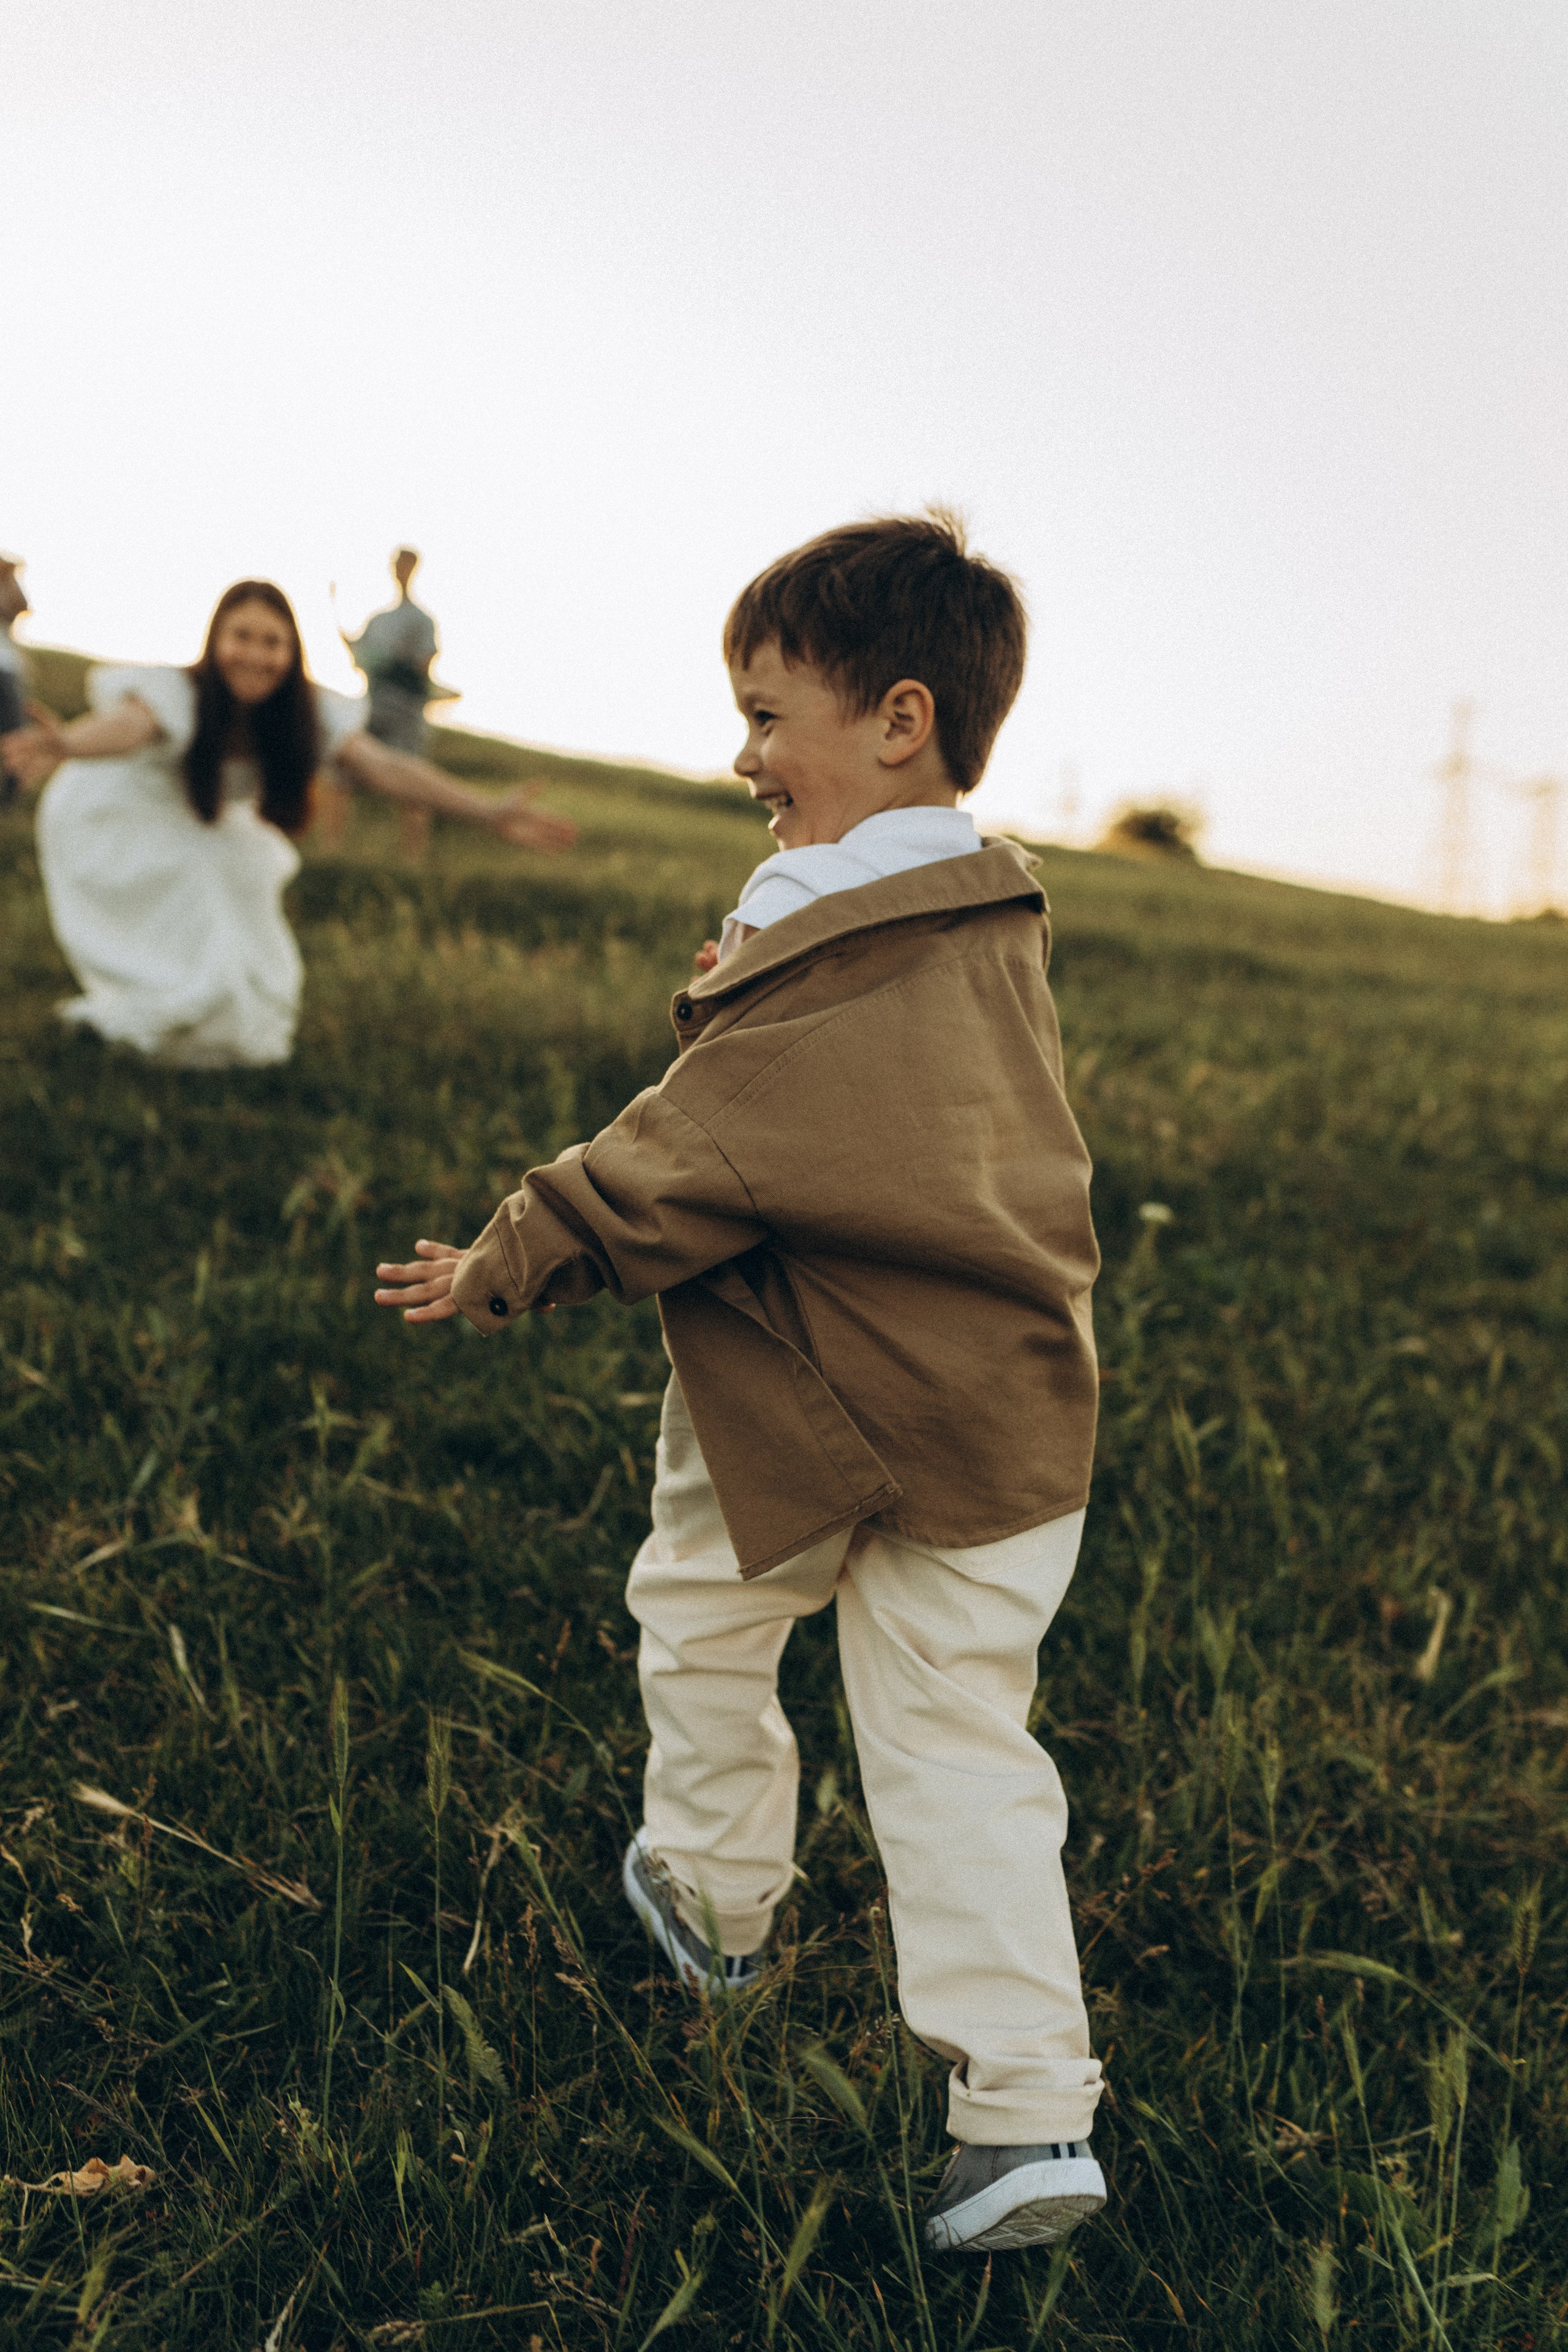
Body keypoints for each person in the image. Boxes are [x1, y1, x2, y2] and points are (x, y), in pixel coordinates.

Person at [372, 514, 1106, 2256]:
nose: (744, 755)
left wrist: (519, 1244)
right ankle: (1025, 2121)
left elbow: (699, 1142)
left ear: (899, 719)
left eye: (770, 715)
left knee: (701, 1614)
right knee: (959, 1761)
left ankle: (713, 1898)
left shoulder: (820, 919)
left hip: (795, 1395)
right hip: (1003, 1414)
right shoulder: (982, 911)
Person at [2, 578, 575, 1068]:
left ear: (292, 649)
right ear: (215, 640)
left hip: (208, 819)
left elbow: (388, 769)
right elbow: (127, 728)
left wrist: (487, 811)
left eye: (271, 641)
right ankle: (156, 1018)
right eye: (241, 637)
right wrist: (66, 744)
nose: (255, 654)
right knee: (199, 901)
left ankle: (200, 1029)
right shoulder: (178, 692)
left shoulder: (311, 713)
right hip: (120, 807)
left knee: (242, 915)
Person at [338, 547, 445, 854]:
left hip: (406, 708)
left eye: (406, 564)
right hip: (372, 704)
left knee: (411, 780)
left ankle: (414, 858)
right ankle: (334, 851)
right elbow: (360, 655)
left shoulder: (422, 619)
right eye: (397, 563)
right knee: (341, 771)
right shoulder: (379, 619)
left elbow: (425, 663)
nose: (401, 569)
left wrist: (396, 663)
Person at [0, 554, 29, 804]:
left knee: (14, 735)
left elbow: (20, 607)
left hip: (5, 669)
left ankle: (10, 796)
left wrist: (7, 578)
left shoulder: (7, 581)